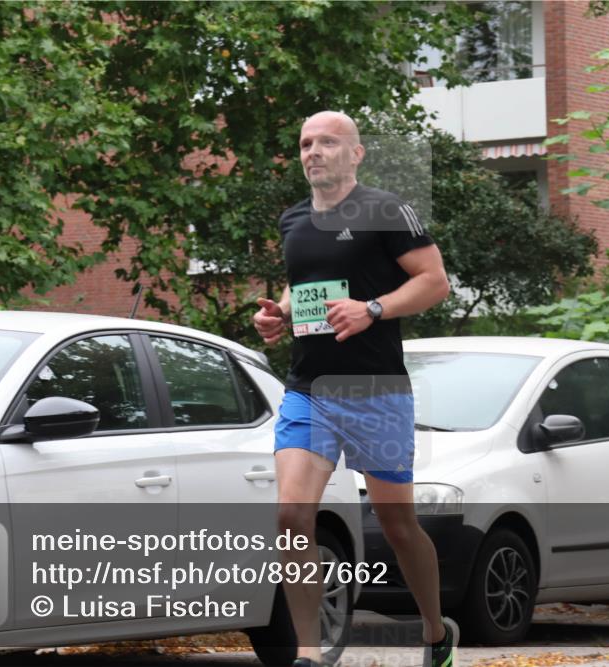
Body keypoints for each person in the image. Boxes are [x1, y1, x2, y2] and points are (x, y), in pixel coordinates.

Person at [252, 110, 455, 667]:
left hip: (375, 390)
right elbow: (302, 288)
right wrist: (279, 315)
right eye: (304, 143)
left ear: (356, 153)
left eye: (326, 142)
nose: (312, 151)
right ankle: (310, 653)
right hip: (308, 389)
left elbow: (434, 282)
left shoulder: (384, 209)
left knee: (397, 524)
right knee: (292, 515)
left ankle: (436, 631)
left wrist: (373, 309)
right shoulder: (293, 220)